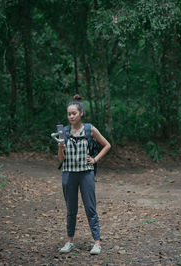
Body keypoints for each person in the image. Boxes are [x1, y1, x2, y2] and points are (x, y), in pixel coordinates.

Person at [58, 94, 111, 255]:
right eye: (69, 114)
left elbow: (107, 145)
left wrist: (95, 159)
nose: (71, 116)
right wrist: (60, 147)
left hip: (86, 173)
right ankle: (69, 242)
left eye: (74, 113)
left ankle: (97, 243)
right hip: (68, 174)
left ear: (81, 113)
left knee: (90, 207)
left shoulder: (90, 129)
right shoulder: (63, 131)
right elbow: (60, 159)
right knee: (70, 209)